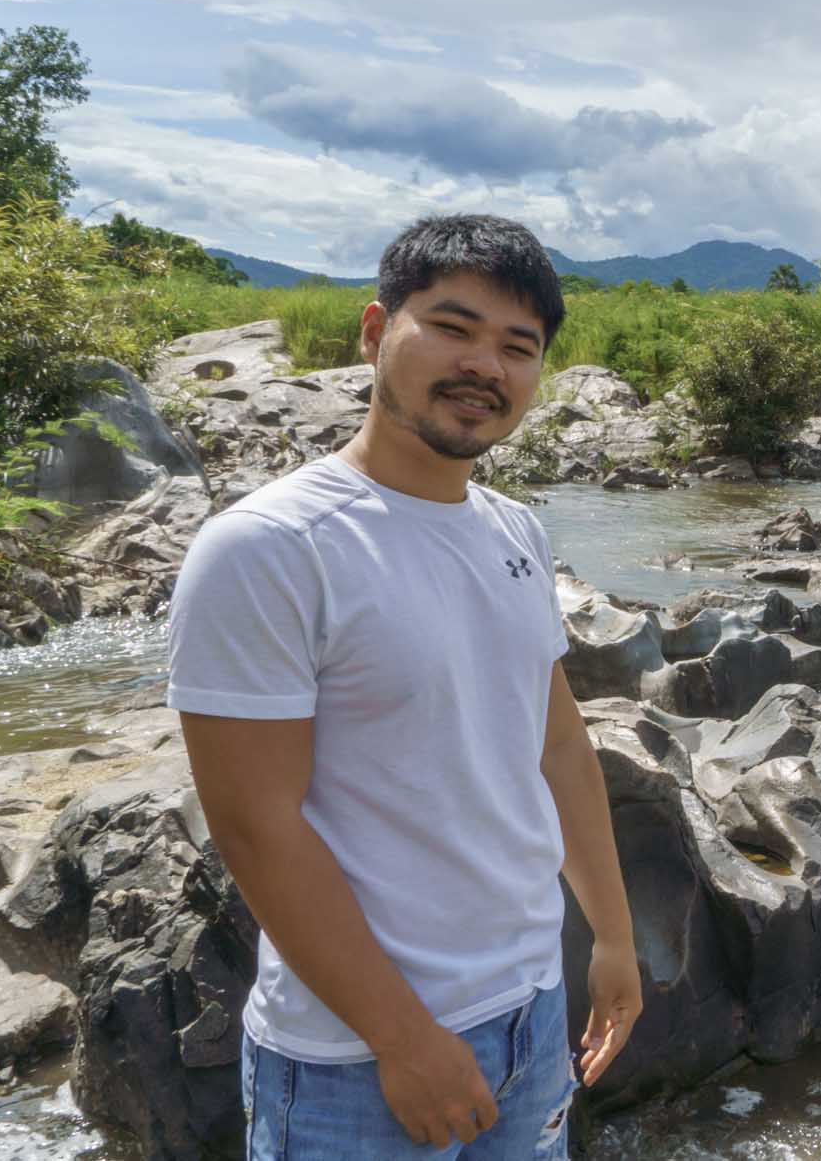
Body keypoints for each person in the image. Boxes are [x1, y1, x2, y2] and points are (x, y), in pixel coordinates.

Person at [167, 214, 641, 1158]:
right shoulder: (269, 548)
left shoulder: (514, 531)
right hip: (352, 1057)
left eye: (518, 346)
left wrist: (614, 942)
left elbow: (555, 746)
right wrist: (403, 1039)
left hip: (531, 1010)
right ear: (377, 331)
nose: (485, 366)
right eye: (454, 328)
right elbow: (258, 825)